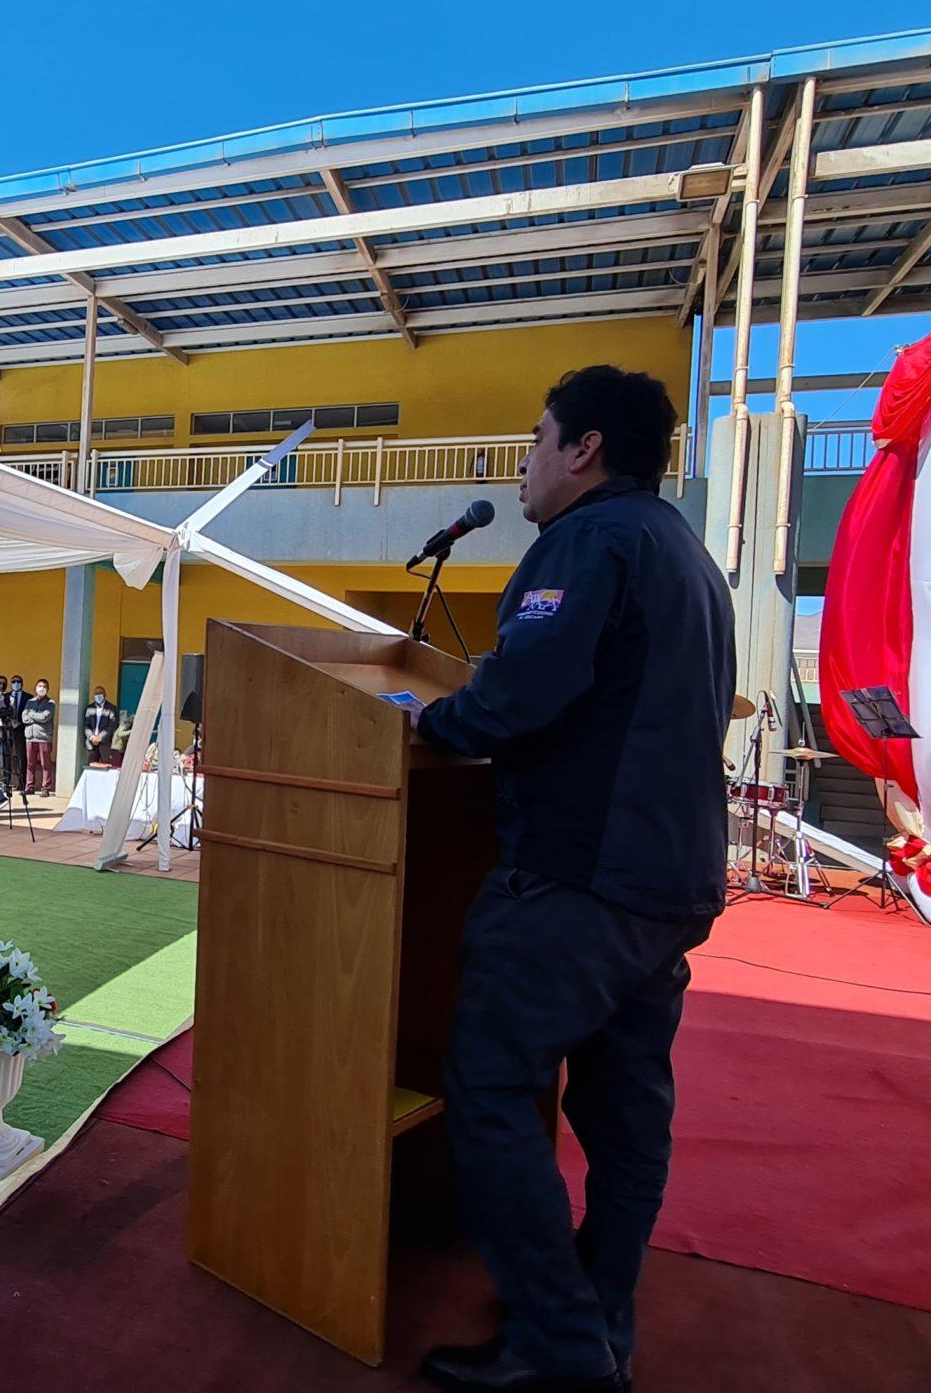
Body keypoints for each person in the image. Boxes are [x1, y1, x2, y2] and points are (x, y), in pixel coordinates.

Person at [410, 366, 733, 1393]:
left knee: (492, 1092)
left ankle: (558, 1354)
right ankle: (600, 1325)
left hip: (576, 881)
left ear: (584, 449)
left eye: (537, 435)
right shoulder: (683, 550)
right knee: (625, 1122)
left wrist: (432, 721)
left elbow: (520, 698)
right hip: (662, 887)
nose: (524, 458)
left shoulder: (589, 543)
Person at [21, 679, 56, 794]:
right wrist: (34, 716)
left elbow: (45, 717)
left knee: (45, 764)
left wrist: (31, 714)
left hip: (43, 737)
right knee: (30, 763)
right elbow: (24, 717)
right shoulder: (30, 702)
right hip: (30, 737)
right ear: (36, 687)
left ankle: (45, 788)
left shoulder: (51, 703)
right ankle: (29, 786)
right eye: (39, 686)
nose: (41, 688)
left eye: (44, 686)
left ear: (47, 689)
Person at [83, 684, 120, 765]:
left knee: (105, 767)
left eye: (100, 693)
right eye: (96, 694)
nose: (98, 696)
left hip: (105, 744)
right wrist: (92, 737)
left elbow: (112, 726)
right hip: (91, 744)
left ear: (105, 695)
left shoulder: (112, 708)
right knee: (91, 767)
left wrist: (99, 738)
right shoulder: (89, 708)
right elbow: (86, 725)